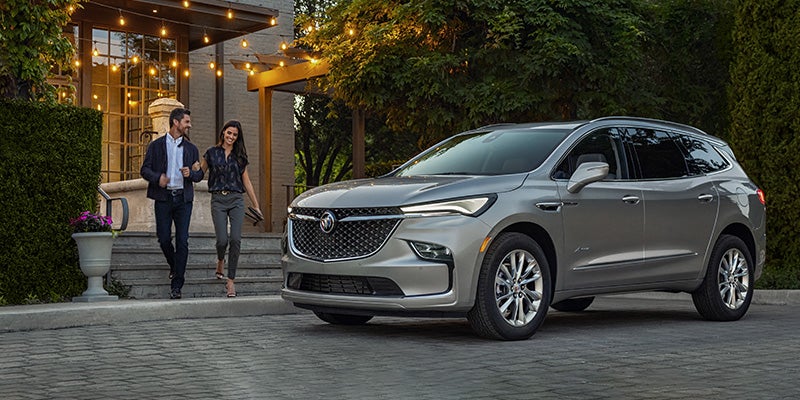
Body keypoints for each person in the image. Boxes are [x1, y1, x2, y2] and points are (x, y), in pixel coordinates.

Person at [140, 108, 204, 300]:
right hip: (164, 198)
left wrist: (191, 174)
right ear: (176, 123)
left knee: (182, 240)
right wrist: (157, 177)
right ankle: (175, 266)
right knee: (164, 238)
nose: (189, 125)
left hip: (184, 200)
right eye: (186, 122)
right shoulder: (156, 146)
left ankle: (177, 285)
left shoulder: (191, 149)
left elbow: (199, 175)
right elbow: (144, 170)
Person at [198, 120, 262, 298]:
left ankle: (231, 281)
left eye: (234, 135)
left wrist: (256, 205)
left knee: (235, 239)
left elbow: (246, 182)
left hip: (236, 200)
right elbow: (199, 175)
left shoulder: (239, 157)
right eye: (229, 133)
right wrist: (190, 170)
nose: (231, 137)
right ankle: (220, 260)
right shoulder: (211, 153)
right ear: (223, 132)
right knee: (221, 240)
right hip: (218, 199)